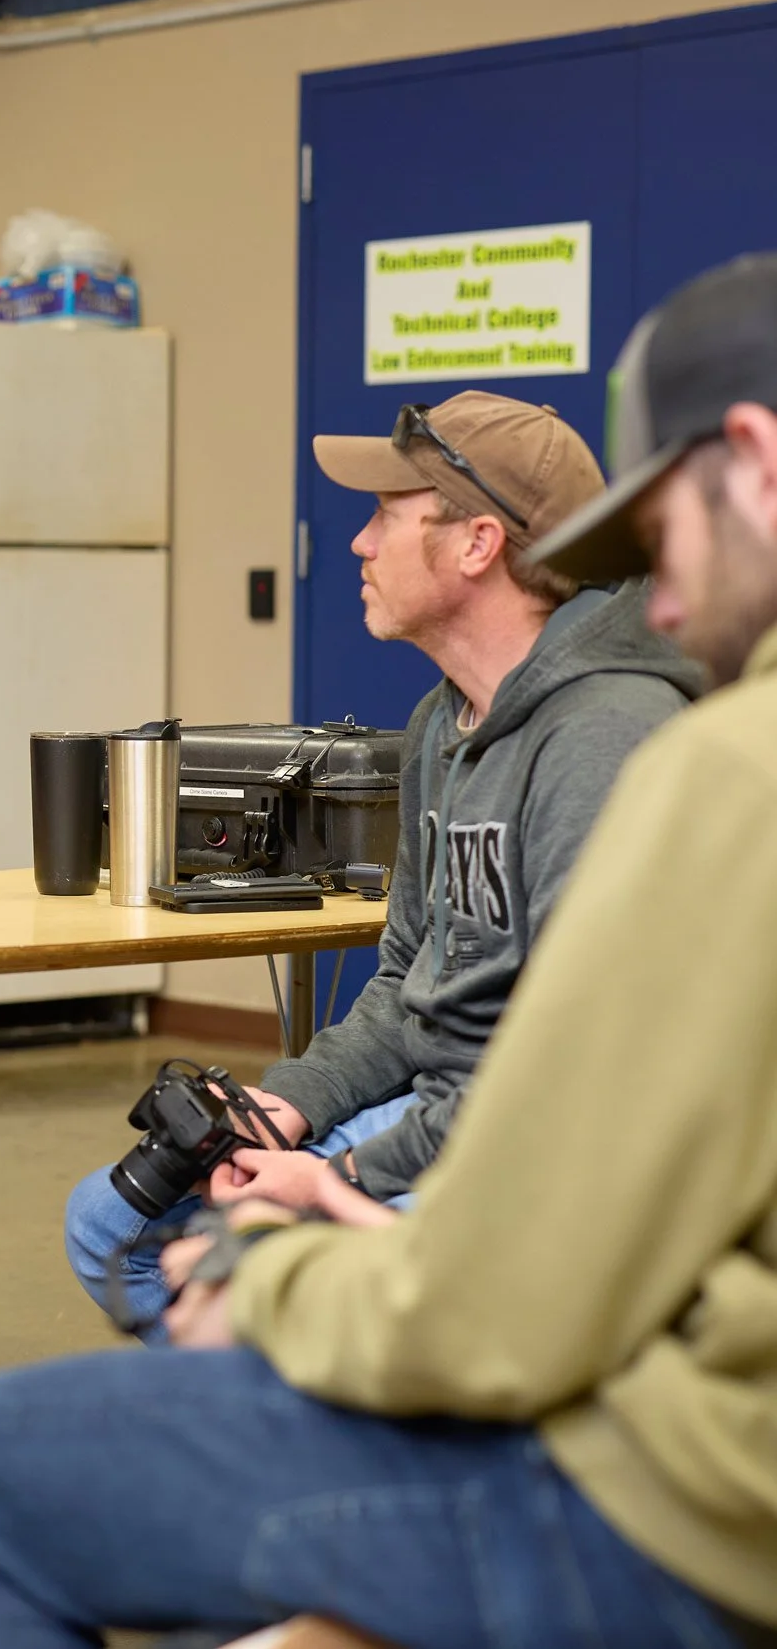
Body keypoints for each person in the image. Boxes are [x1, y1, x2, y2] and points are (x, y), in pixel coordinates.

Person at [0, 252, 777, 1649]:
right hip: (620, 1339)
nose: (651, 590)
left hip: (679, 1503)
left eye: (662, 525)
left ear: (753, 466)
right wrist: (296, 1106)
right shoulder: (457, 731)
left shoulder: (685, 759)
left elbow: (529, 1283)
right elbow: (420, 995)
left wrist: (306, 1233)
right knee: (133, 1225)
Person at [63, 390, 698, 1330]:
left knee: (238, 1274)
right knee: (106, 1223)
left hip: (521, 1155)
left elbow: (568, 1078)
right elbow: (405, 976)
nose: (358, 544)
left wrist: (339, 1174)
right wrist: (288, 1111)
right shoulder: (440, 724)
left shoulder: (605, 737)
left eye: (384, 517)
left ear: (477, 544)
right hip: (429, 1116)